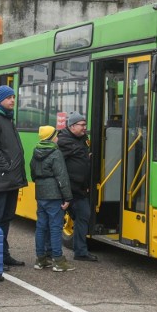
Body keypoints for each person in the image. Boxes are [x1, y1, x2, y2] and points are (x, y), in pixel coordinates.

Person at [0, 85, 28, 269]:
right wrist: (7, 167)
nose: (12, 101)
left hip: (10, 179)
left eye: (13, 97)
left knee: (7, 218)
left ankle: (3, 254)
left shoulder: (7, 118)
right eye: (9, 98)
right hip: (1, 178)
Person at [30, 125, 75, 272]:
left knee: (41, 227)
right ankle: (58, 261)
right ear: (51, 137)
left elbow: (33, 173)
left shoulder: (36, 150)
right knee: (55, 228)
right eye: (56, 135)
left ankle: (41, 260)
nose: (58, 137)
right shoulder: (56, 153)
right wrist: (67, 197)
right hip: (54, 195)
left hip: (41, 193)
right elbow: (62, 177)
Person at [57, 111, 98, 262]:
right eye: (82, 125)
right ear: (72, 126)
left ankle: (80, 251)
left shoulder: (82, 139)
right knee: (55, 222)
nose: (85, 128)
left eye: (85, 125)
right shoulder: (63, 141)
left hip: (80, 188)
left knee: (84, 215)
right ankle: (51, 254)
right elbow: (58, 165)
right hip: (67, 189)